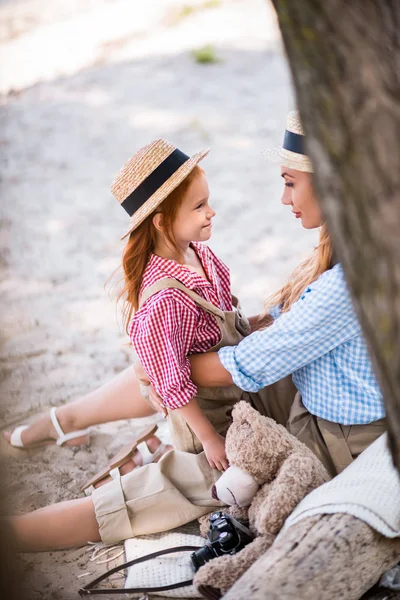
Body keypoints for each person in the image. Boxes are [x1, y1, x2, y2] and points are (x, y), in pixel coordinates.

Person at [5, 112, 386, 554]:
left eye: (289, 181)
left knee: (164, 482)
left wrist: (165, 375)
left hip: (325, 432)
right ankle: (66, 420)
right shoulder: (359, 244)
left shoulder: (343, 281)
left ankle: (31, 512)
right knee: (170, 361)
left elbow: (244, 363)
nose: (283, 198)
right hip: (295, 394)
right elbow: (270, 333)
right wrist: (167, 373)